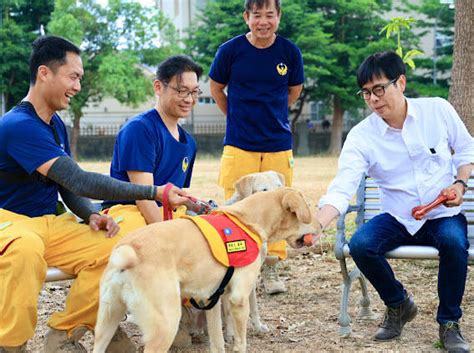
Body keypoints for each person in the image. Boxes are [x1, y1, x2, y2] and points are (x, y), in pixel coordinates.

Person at [0, 36, 192, 353]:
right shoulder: (18, 125)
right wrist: (155, 192)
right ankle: (10, 344)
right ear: (45, 73)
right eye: (73, 76)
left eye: (80, 78)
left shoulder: (55, 125)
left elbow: (65, 186)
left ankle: (66, 333)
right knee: (26, 249)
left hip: (46, 224)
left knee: (120, 248)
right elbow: (79, 179)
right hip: (9, 224)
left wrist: (90, 214)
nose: (77, 86)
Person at [317, 51, 474, 352]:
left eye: (379, 89)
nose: (373, 99)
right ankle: (399, 304)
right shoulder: (362, 136)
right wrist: (318, 224)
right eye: (366, 93)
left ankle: (449, 323)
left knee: (455, 244)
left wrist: (460, 183)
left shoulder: (437, 110)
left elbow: (466, 150)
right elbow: (343, 185)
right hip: (398, 216)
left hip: (441, 212)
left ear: (400, 82)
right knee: (361, 245)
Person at [208, 0, 304, 294]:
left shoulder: (289, 52)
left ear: (279, 17)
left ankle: (272, 270)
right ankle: (235, 266)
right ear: (246, 17)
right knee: (237, 205)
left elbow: (293, 91)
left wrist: (272, 116)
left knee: (280, 207)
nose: (264, 21)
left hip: (277, 143)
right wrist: (236, 116)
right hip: (239, 143)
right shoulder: (230, 51)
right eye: (257, 15)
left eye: (270, 15)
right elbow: (215, 87)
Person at [102, 55, 202, 235]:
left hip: (166, 217)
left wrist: (195, 205)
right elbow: (143, 197)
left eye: (194, 92)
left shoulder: (189, 143)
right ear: (158, 87)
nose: (189, 99)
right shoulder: (140, 129)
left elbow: (175, 195)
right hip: (130, 216)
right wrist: (168, 237)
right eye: (181, 90)